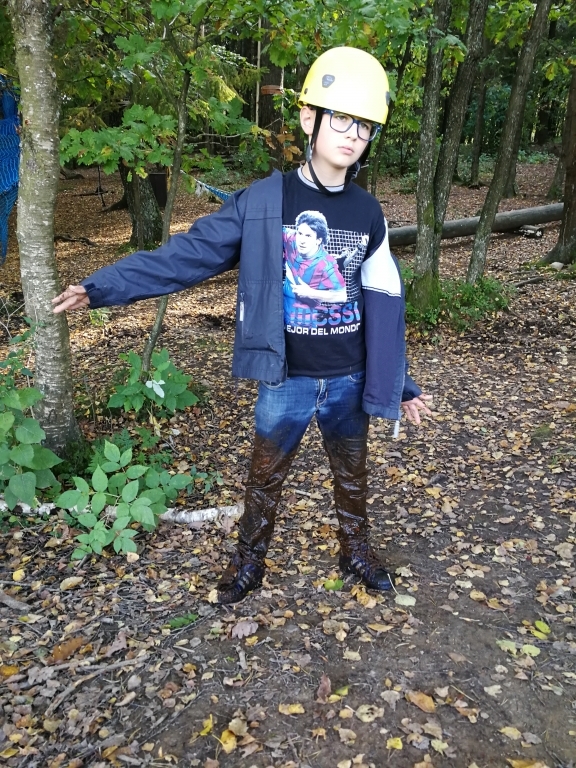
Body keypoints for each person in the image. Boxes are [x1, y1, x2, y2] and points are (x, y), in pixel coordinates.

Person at [53, 46, 432, 605]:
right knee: (265, 477)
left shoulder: (367, 212)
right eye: (342, 119)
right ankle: (249, 563)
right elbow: (188, 255)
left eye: (365, 126)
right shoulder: (263, 202)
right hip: (286, 378)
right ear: (310, 118)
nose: (353, 135)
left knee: (353, 476)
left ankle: (356, 553)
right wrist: (103, 287)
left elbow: (382, 302)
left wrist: (400, 382)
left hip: (349, 378)